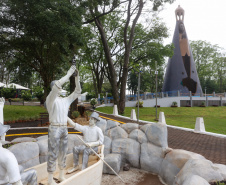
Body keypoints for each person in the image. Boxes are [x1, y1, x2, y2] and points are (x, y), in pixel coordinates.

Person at [46, 65, 81, 185]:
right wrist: (68, 73)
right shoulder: (50, 99)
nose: (60, 88)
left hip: (64, 129)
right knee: (52, 153)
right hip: (54, 128)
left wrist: (77, 77)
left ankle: (61, 176)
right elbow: (57, 86)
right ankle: (50, 180)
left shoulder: (65, 100)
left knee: (63, 152)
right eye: (58, 86)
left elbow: (78, 91)